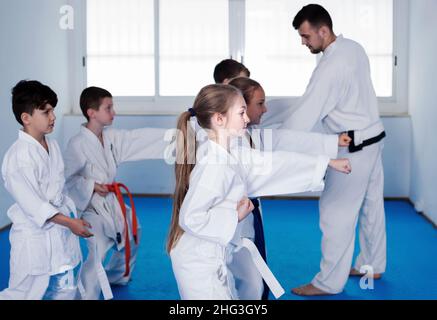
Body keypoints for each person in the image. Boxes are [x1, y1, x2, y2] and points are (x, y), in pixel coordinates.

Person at [167, 84, 351, 300]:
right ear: (219, 119)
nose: (247, 119)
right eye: (241, 112)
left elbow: (275, 162)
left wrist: (325, 162)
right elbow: (190, 217)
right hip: (198, 264)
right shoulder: (214, 165)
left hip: (210, 257)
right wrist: (235, 216)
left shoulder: (231, 154)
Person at [280, 4, 387, 296]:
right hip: (374, 138)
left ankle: (328, 283)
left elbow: (305, 116)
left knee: (335, 213)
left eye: (306, 36)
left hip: (353, 148)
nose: (303, 43)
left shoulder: (330, 67)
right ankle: (372, 264)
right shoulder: (353, 47)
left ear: (323, 30)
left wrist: (273, 141)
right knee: (370, 207)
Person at [228, 77, 351, 299]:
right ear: (241, 107)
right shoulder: (228, 144)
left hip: (240, 222)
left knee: (253, 284)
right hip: (220, 231)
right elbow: (270, 165)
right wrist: (325, 162)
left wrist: (330, 145)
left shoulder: (248, 135)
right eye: (260, 103)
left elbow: (284, 140)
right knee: (234, 285)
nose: (266, 109)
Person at [64, 86, 168, 300]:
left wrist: (179, 135)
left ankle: (117, 275)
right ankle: (86, 295)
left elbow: (140, 139)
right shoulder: (77, 144)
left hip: (112, 201)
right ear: (92, 112)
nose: (114, 112)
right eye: (108, 108)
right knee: (98, 249)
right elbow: (67, 179)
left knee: (132, 230)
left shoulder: (110, 137)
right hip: (92, 206)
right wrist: (91, 185)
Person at [0, 80, 92, 300]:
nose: (53, 117)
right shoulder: (19, 157)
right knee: (23, 294)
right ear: (26, 117)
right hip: (34, 237)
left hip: (58, 234)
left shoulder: (53, 145)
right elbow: (34, 206)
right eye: (46, 111)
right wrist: (70, 223)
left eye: (53, 110)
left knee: (65, 288)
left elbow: (60, 189)